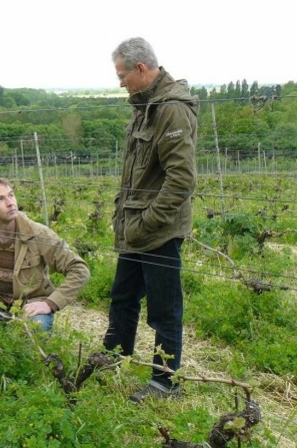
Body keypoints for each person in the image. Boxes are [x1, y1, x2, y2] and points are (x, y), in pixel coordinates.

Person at [103, 37, 198, 403]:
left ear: (141, 68)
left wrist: (148, 223)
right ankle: (113, 357)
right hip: (134, 226)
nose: (121, 82)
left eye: (122, 74)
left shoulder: (170, 108)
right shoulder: (144, 106)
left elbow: (181, 180)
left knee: (164, 308)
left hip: (157, 230)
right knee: (122, 297)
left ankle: (165, 383)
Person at [0, 178, 90, 333]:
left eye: (11, 195)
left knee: (36, 329)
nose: (10, 203)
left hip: (29, 307)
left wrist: (50, 303)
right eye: (1, 199)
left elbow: (79, 269)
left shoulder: (39, 234)